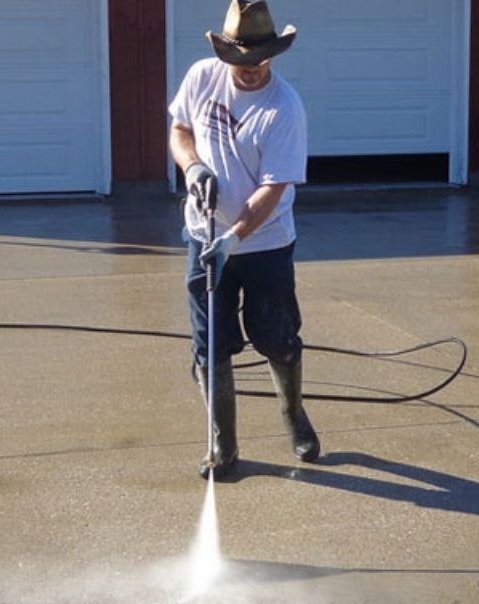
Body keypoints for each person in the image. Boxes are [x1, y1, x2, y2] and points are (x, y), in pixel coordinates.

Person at [168, 0, 319, 480]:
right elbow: (180, 130)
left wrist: (234, 236)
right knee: (210, 345)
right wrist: (192, 167)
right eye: (242, 61)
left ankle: (293, 415)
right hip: (202, 235)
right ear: (225, 53)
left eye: (261, 61)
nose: (251, 71)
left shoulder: (284, 107)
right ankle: (222, 442)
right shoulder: (201, 77)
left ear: (274, 55)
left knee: (278, 338)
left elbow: (274, 189)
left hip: (265, 245)